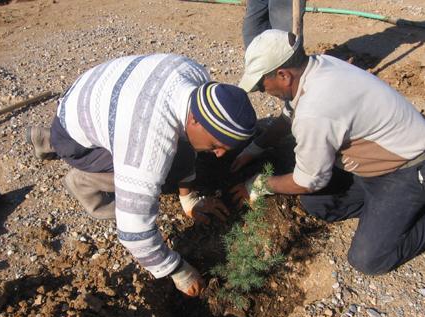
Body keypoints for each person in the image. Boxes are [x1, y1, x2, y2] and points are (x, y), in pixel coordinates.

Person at [26, 54, 257, 296]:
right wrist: (178, 270)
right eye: (215, 145)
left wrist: (188, 199)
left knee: (182, 149)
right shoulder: (145, 143)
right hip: (77, 133)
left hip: (90, 97)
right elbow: (133, 233)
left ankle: (45, 139)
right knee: (165, 168)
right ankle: (83, 178)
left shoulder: (195, 78)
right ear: (194, 119)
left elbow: (183, 139)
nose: (219, 154)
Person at [232, 30, 425, 275]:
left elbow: (308, 180)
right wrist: (254, 149)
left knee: (368, 259)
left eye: (262, 85)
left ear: (283, 75)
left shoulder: (316, 109)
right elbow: (287, 119)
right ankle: (389, 212)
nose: (262, 91)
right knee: (317, 204)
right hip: (375, 165)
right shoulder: (315, 67)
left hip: (412, 168)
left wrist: (259, 184)